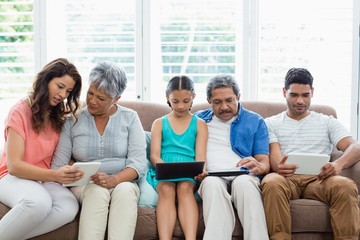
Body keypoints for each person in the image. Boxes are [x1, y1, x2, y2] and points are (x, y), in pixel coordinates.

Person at [51, 61, 148, 240]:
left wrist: (114, 179)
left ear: (116, 99)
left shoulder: (130, 118)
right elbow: (59, 163)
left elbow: (139, 163)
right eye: (90, 93)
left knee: (125, 192)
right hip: (85, 184)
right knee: (96, 192)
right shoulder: (73, 119)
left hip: (121, 180)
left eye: (101, 98)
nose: (93, 101)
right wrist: (82, 171)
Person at [261, 67, 360, 240]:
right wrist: (278, 167)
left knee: (346, 186)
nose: (300, 100)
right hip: (286, 179)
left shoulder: (327, 121)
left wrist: (338, 164)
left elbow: (355, 148)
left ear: (312, 92)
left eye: (305, 95)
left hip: (320, 179)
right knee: (271, 182)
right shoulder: (270, 123)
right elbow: (275, 156)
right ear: (284, 92)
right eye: (294, 95)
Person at [0, 58, 83, 239]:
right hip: (11, 176)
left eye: (68, 91)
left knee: (69, 207)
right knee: (38, 203)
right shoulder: (19, 111)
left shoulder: (58, 115)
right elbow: (14, 166)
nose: (63, 94)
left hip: (43, 179)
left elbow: (57, 153)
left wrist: (72, 168)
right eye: (59, 86)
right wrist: (55, 175)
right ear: (46, 80)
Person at [194, 74, 270, 240]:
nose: (224, 107)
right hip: (211, 175)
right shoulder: (197, 120)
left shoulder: (255, 121)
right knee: (211, 185)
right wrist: (196, 169)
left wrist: (259, 167)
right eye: (217, 102)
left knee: (245, 186)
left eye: (229, 100)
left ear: (238, 97)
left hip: (244, 174)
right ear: (209, 101)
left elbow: (264, 161)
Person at [146, 76, 208, 240]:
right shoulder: (159, 123)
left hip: (189, 170)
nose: (181, 106)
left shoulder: (200, 124)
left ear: (193, 97)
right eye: (175, 101)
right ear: (167, 98)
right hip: (163, 167)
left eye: (186, 101)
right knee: (166, 190)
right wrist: (164, 168)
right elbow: (154, 155)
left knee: (184, 188)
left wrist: (202, 171)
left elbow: (201, 156)